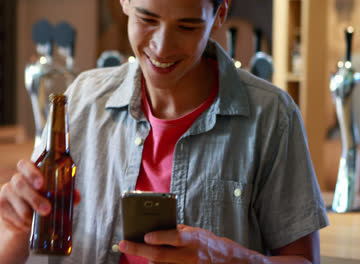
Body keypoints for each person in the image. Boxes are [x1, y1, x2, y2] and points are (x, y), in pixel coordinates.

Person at [0, 0, 329, 263]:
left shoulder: (272, 116)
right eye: (147, 19)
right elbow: (27, 244)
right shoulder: (81, 101)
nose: (162, 46)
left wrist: (228, 258)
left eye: (187, 25)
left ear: (219, 15)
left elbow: (303, 260)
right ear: (125, 2)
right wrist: (15, 234)